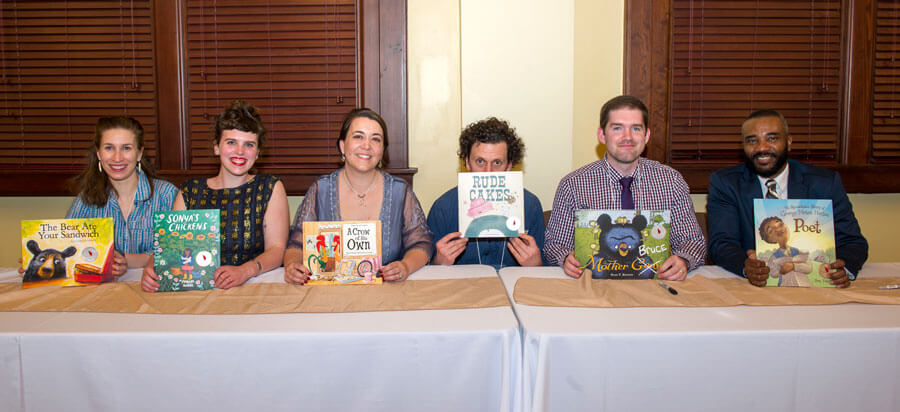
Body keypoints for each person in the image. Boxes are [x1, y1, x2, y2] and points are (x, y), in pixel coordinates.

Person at [544, 95, 706, 279]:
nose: (627, 137)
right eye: (617, 128)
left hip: (655, 286)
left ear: (646, 136)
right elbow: (554, 244)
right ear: (602, 135)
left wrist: (683, 260)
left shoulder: (671, 181)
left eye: (636, 128)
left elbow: (692, 240)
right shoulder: (573, 185)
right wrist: (565, 258)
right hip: (593, 288)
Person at [707, 109, 867, 288]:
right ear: (743, 146)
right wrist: (745, 266)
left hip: (817, 286)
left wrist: (843, 268)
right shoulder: (726, 183)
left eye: (772, 138)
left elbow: (853, 242)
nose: (762, 148)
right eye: (752, 141)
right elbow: (721, 243)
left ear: (789, 142)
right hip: (754, 288)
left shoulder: (824, 183)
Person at [141, 100, 289, 291]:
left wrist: (244, 271)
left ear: (258, 152)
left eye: (249, 145)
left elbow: (277, 250)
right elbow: (170, 248)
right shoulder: (189, 192)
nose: (240, 152)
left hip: (254, 287)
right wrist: (152, 268)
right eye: (231, 142)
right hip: (196, 291)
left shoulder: (270, 187)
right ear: (216, 147)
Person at [283, 108, 434, 284]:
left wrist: (405, 266)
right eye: (358, 136)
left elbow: (422, 244)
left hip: (387, 294)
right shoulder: (320, 190)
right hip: (329, 297)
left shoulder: (400, 192)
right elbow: (296, 245)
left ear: (382, 150)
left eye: (375, 139)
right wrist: (292, 265)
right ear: (342, 145)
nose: (367, 145)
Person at [426, 117, 545, 269]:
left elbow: (543, 269)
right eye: (480, 162)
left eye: (497, 163)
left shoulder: (530, 205)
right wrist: (438, 262)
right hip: (463, 289)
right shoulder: (443, 207)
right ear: (467, 163)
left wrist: (536, 265)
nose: (488, 171)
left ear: (508, 165)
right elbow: (428, 272)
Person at [66, 116, 178, 276]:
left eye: (126, 148)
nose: (117, 158)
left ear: (139, 153)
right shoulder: (87, 199)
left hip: (155, 289)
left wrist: (125, 260)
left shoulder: (167, 195)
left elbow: (178, 252)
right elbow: (69, 250)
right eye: (109, 148)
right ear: (98, 154)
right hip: (102, 293)